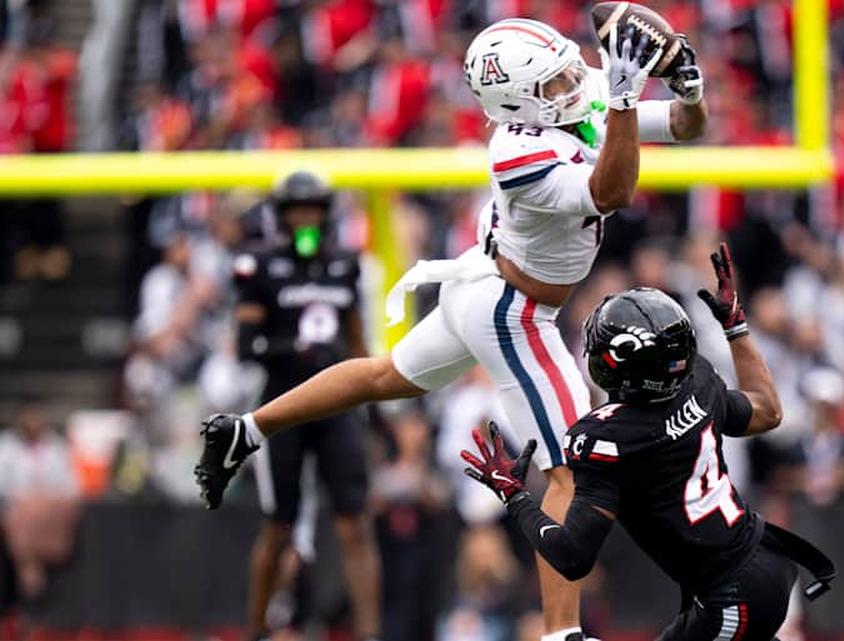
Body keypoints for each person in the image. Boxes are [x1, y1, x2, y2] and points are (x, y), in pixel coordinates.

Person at [195, 17, 708, 641]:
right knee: (573, 473)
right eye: (556, 82)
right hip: (514, 310)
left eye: (569, 71)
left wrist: (686, 85)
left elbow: (685, 127)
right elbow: (614, 189)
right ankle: (560, 633)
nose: (577, 84)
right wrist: (626, 99)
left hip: (481, 285)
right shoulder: (520, 149)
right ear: (517, 101)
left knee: (385, 376)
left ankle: (246, 430)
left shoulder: (567, 94)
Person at [461, 245, 835, 641]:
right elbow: (767, 412)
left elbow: (572, 557)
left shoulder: (607, 438)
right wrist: (736, 327)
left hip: (732, 595)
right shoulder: (699, 381)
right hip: (763, 563)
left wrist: (515, 497)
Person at [202, 169, 381, 641]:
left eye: (313, 210)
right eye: (297, 210)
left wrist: (378, 414)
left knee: (354, 524)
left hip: (337, 406)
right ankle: (258, 629)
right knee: (278, 525)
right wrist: (290, 349)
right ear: (281, 216)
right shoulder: (258, 264)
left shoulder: (345, 262)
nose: (305, 219)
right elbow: (245, 345)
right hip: (282, 405)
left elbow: (358, 342)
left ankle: (370, 632)